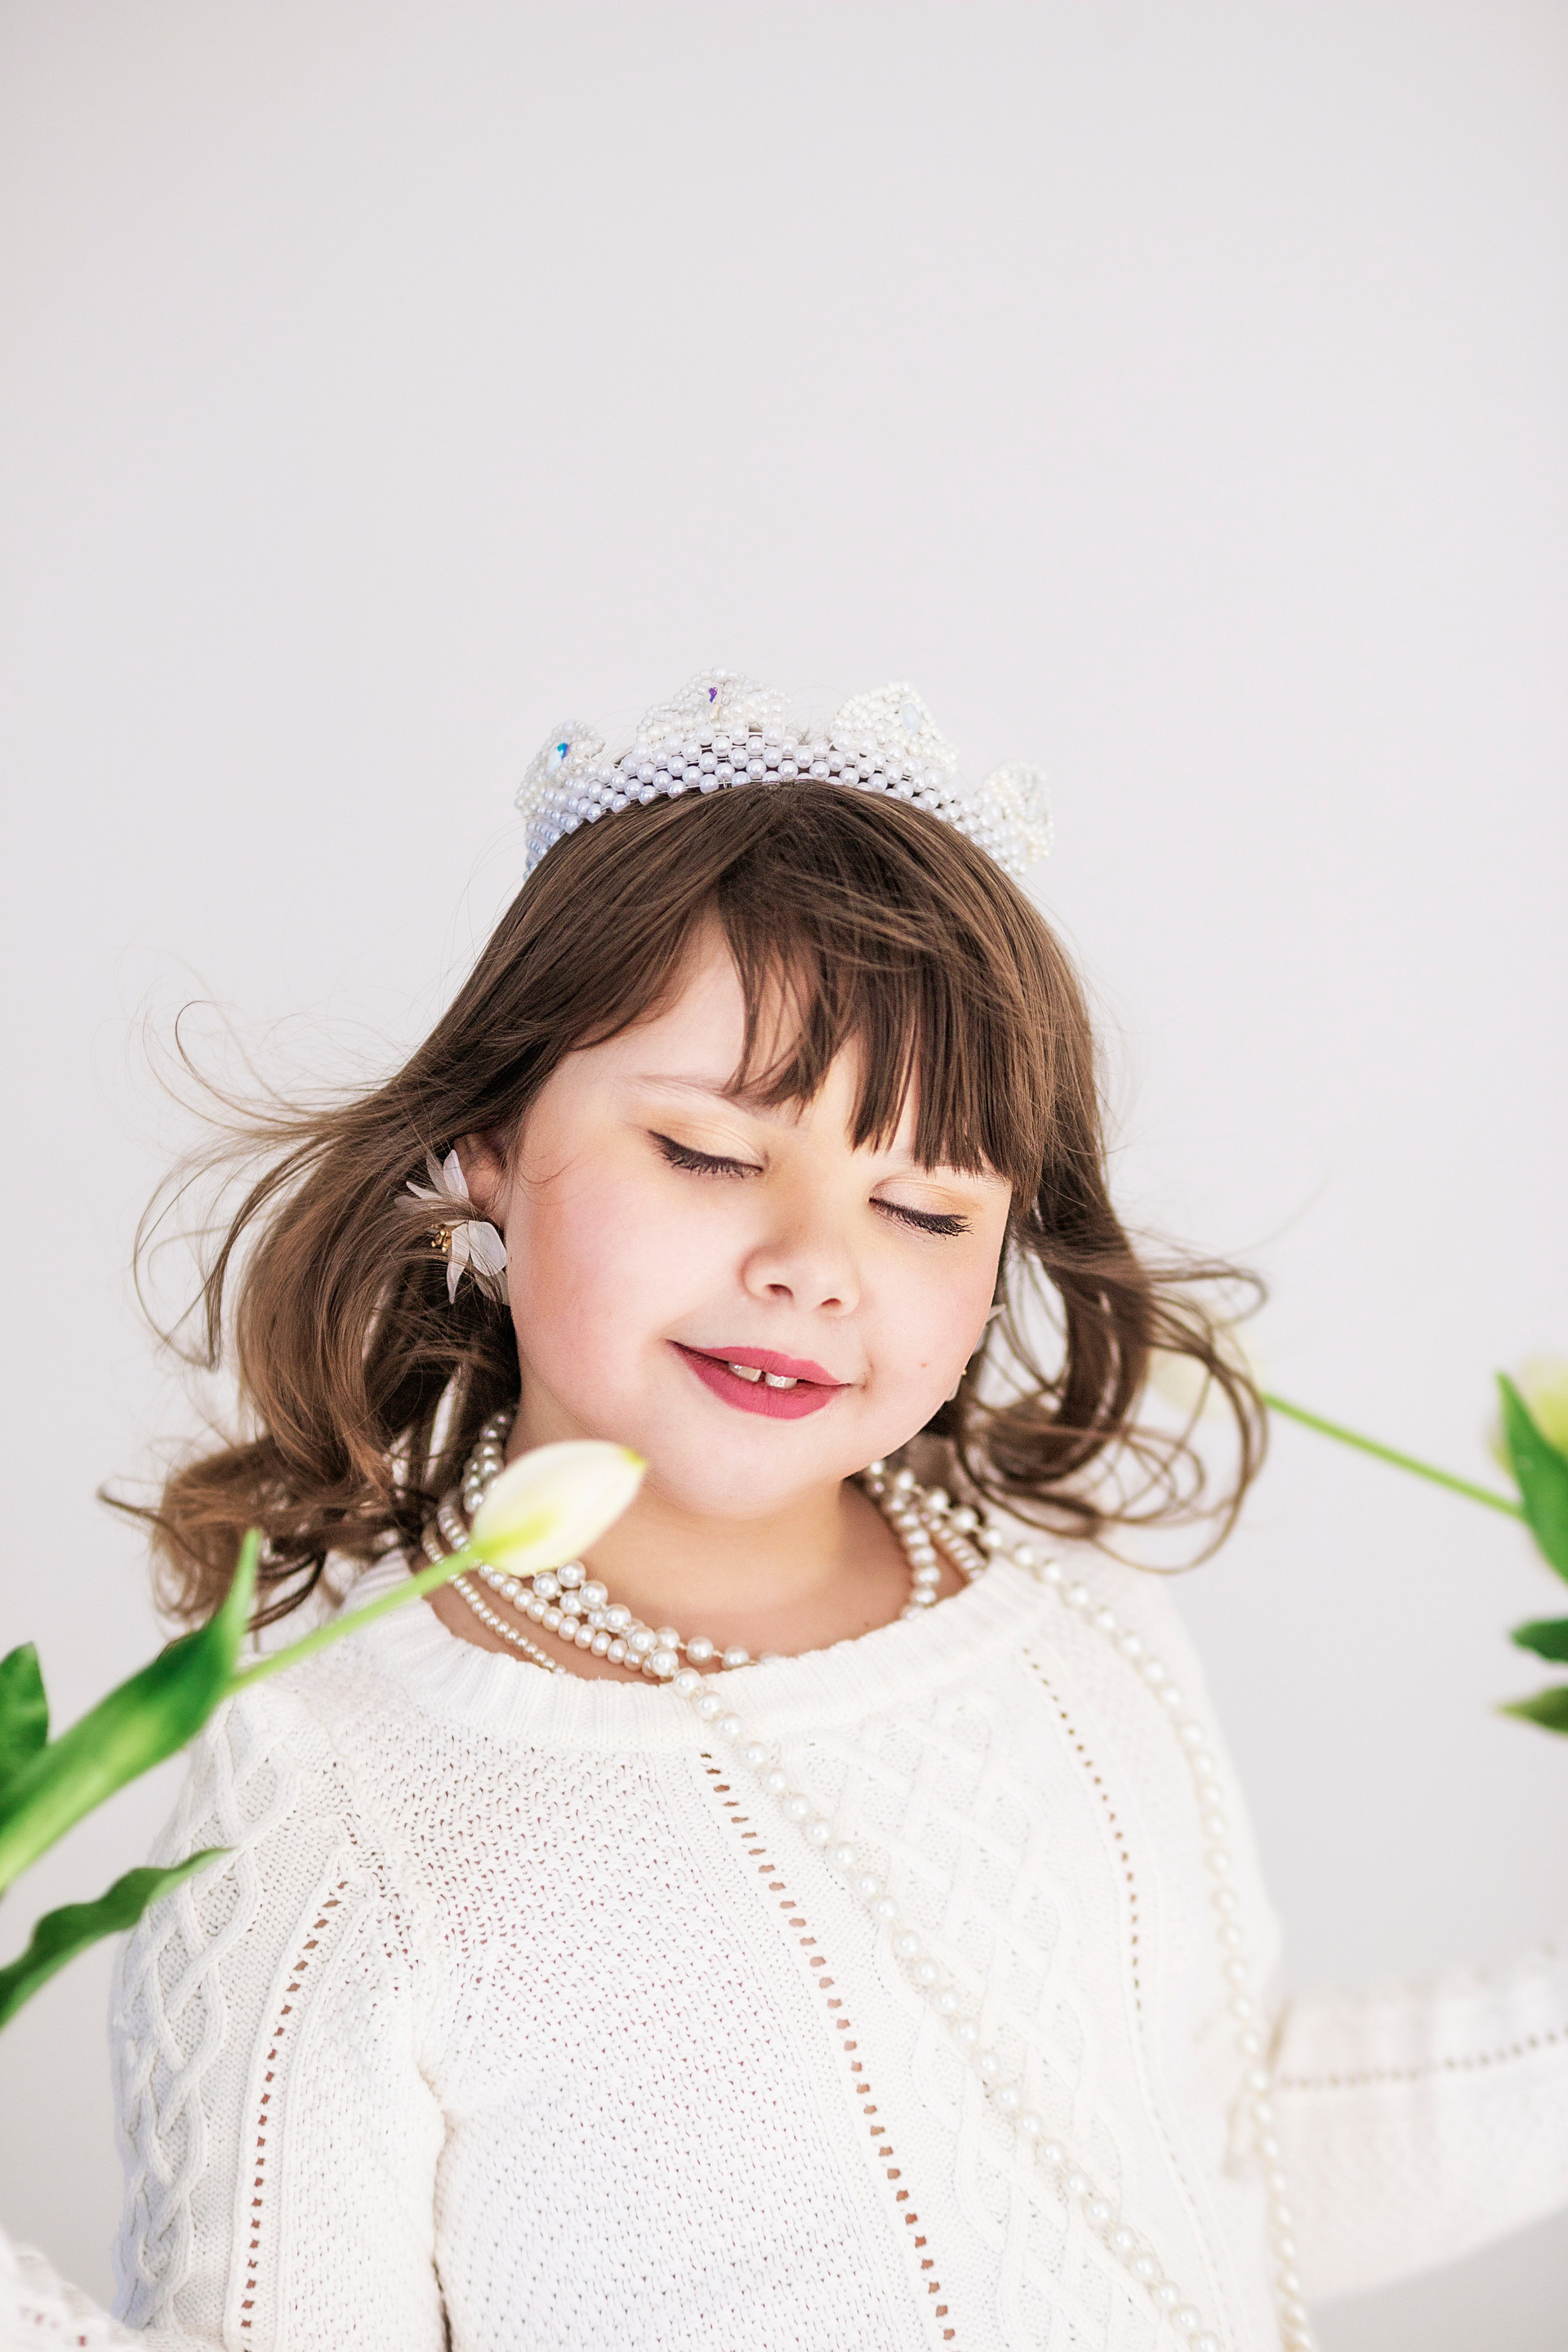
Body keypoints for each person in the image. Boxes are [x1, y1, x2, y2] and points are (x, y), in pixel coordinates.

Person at [7, 675, 1565, 2350]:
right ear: (485, 1141)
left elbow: (1213, 2152)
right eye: (706, 1152)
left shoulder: (1081, 1618)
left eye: (923, 1207)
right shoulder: (336, 1797)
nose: (815, 1265)